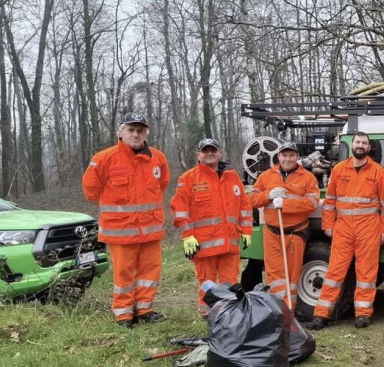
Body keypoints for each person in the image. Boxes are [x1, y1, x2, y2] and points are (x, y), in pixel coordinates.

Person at [82, 112, 169, 328]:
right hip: (120, 231)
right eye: (131, 130)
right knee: (124, 274)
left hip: (150, 228)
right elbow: (91, 191)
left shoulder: (157, 158)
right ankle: (123, 314)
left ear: (146, 133)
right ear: (120, 132)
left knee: (150, 271)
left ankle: (144, 310)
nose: (136, 134)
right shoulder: (104, 158)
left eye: (140, 130)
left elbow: (163, 184)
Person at [308, 132, 384, 330]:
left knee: (366, 274)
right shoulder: (339, 169)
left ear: (369, 147)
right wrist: (328, 225)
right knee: (334, 272)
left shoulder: (379, 172)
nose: (360, 145)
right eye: (358, 142)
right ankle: (321, 314)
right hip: (344, 228)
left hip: (369, 227)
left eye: (364, 143)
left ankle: (363, 313)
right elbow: (330, 201)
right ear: (352, 145)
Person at [170, 138, 253, 315]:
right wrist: (187, 236)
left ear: (219, 153)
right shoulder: (189, 178)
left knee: (230, 282)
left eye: (213, 150)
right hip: (203, 244)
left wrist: (246, 231)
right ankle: (208, 315)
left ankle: (230, 314)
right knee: (207, 283)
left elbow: (244, 206)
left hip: (230, 244)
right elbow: (180, 209)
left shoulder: (232, 177)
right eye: (205, 150)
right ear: (198, 154)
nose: (209, 153)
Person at [248, 141, 320, 310]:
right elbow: (251, 199)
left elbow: (312, 202)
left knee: (292, 277)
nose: (288, 159)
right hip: (272, 233)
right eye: (284, 155)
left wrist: (285, 204)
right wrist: (269, 195)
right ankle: (276, 312)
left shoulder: (308, 178)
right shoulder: (266, 176)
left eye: (291, 155)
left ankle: (290, 313)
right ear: (279, 156)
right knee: (275, 277)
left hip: (295, 233)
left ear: (297, 157)